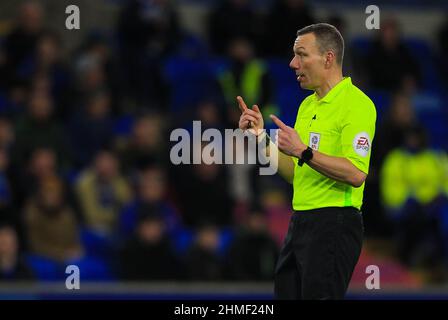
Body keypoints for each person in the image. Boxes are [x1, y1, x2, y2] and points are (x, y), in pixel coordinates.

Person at [237, 23, 376, 299]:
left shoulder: (357, 104)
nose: (292, 63)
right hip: (300, 221)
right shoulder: (307, 105)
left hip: (335, 222)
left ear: (328, 58)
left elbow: (356, 172)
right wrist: (260, 138)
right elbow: (293, 172)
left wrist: (304, 151)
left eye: (301, 54)